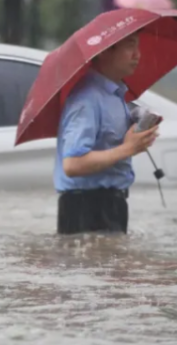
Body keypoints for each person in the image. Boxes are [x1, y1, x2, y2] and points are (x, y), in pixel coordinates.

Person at [54, 33, 159, 235]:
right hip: (85, 207)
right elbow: (72, 164)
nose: (137, 54)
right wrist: (128, 149)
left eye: (138, 46)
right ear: (104, 52)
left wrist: (138, 136)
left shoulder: (115, 95)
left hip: (112, 203)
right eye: (130, 46)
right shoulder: (86, 99)